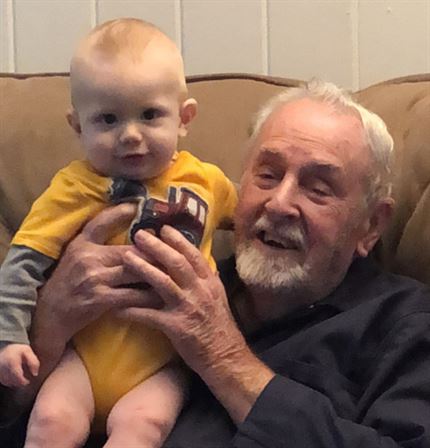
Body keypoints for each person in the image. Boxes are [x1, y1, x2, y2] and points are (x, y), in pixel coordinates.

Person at [2, 80, 430, 448]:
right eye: (267, 175)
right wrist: (48, 327)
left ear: (371, 226)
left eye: (318, 188)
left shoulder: (406, 325)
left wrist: (223, 357)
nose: (279, 203)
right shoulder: (171, 276)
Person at [0, 18, 237, 448]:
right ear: (78, 126)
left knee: (143, 426)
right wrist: (10, 337)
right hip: (80, 359)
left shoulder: (207, 182)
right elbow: (23, 262)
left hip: (160, 364)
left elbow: (253, 218)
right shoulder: (74, 188)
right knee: (52, 421)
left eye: (150, 115)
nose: (130, 135)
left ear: (184, 118)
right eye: (108, 119)